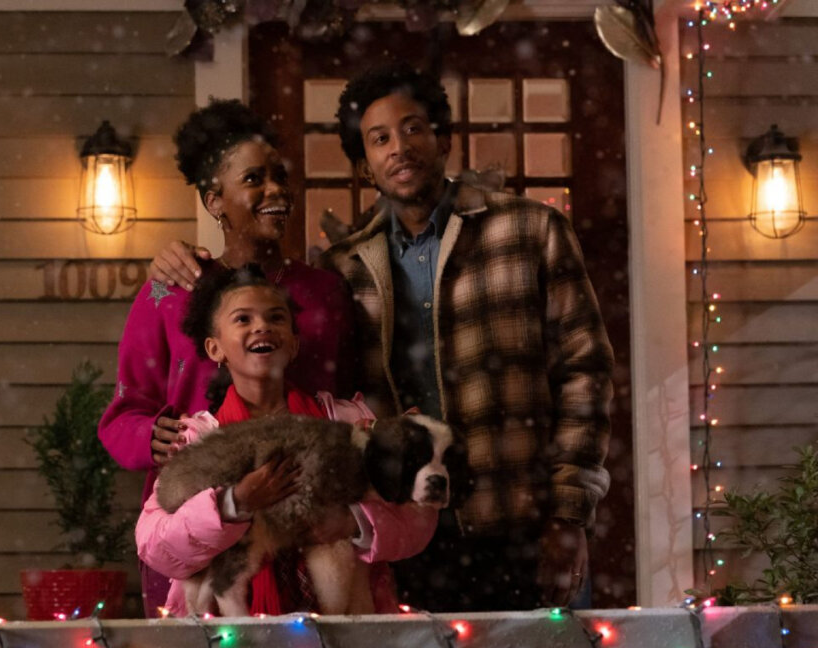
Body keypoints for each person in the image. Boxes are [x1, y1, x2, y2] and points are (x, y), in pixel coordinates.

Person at [147, 62, 614, 612]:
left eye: (413, 128)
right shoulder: (347, 267)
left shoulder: (530, 231)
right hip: (405, 526)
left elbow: (586, 370)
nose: (399, 148)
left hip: (518, 515)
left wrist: (567, 514)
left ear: (442, 139)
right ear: (365, 162)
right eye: (379, 138)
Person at [98, 99, 354, 617]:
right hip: (198, 530)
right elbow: (123, 415)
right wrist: (150, 436)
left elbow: (346, 404)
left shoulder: (325, 292)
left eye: (280, 177)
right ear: (215, 200)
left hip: (310, 530)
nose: (277, 191)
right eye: (255, 179)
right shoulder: (171, 292)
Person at [136, 265, 438, 616]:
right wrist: (233, 504)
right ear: (215, 348)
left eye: (276, 317)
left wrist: (350, 523)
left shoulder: (345, 422)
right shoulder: (197, 440)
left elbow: (418, 517)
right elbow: (154, 544)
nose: (262, 326)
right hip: (230, 634)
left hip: (342, 630)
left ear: (294, 343)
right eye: (243, 319)